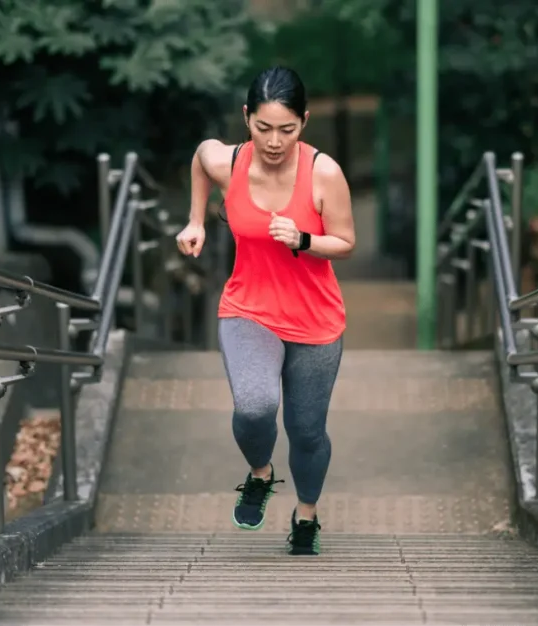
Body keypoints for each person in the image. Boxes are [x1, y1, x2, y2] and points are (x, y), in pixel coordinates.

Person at [175, 66, 355, 555]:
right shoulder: (229, 163)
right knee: (254, 407)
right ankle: (260, 472)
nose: (275, 141)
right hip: (247, 307)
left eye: (288, 129)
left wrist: (304, 239)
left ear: (305, 122)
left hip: (315, 320)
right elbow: (199, 156)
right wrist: (196, 221)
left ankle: (306, 515)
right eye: (263, 127)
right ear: (246, 118)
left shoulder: (324, 173)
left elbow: (345, 242)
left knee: (306, 430)